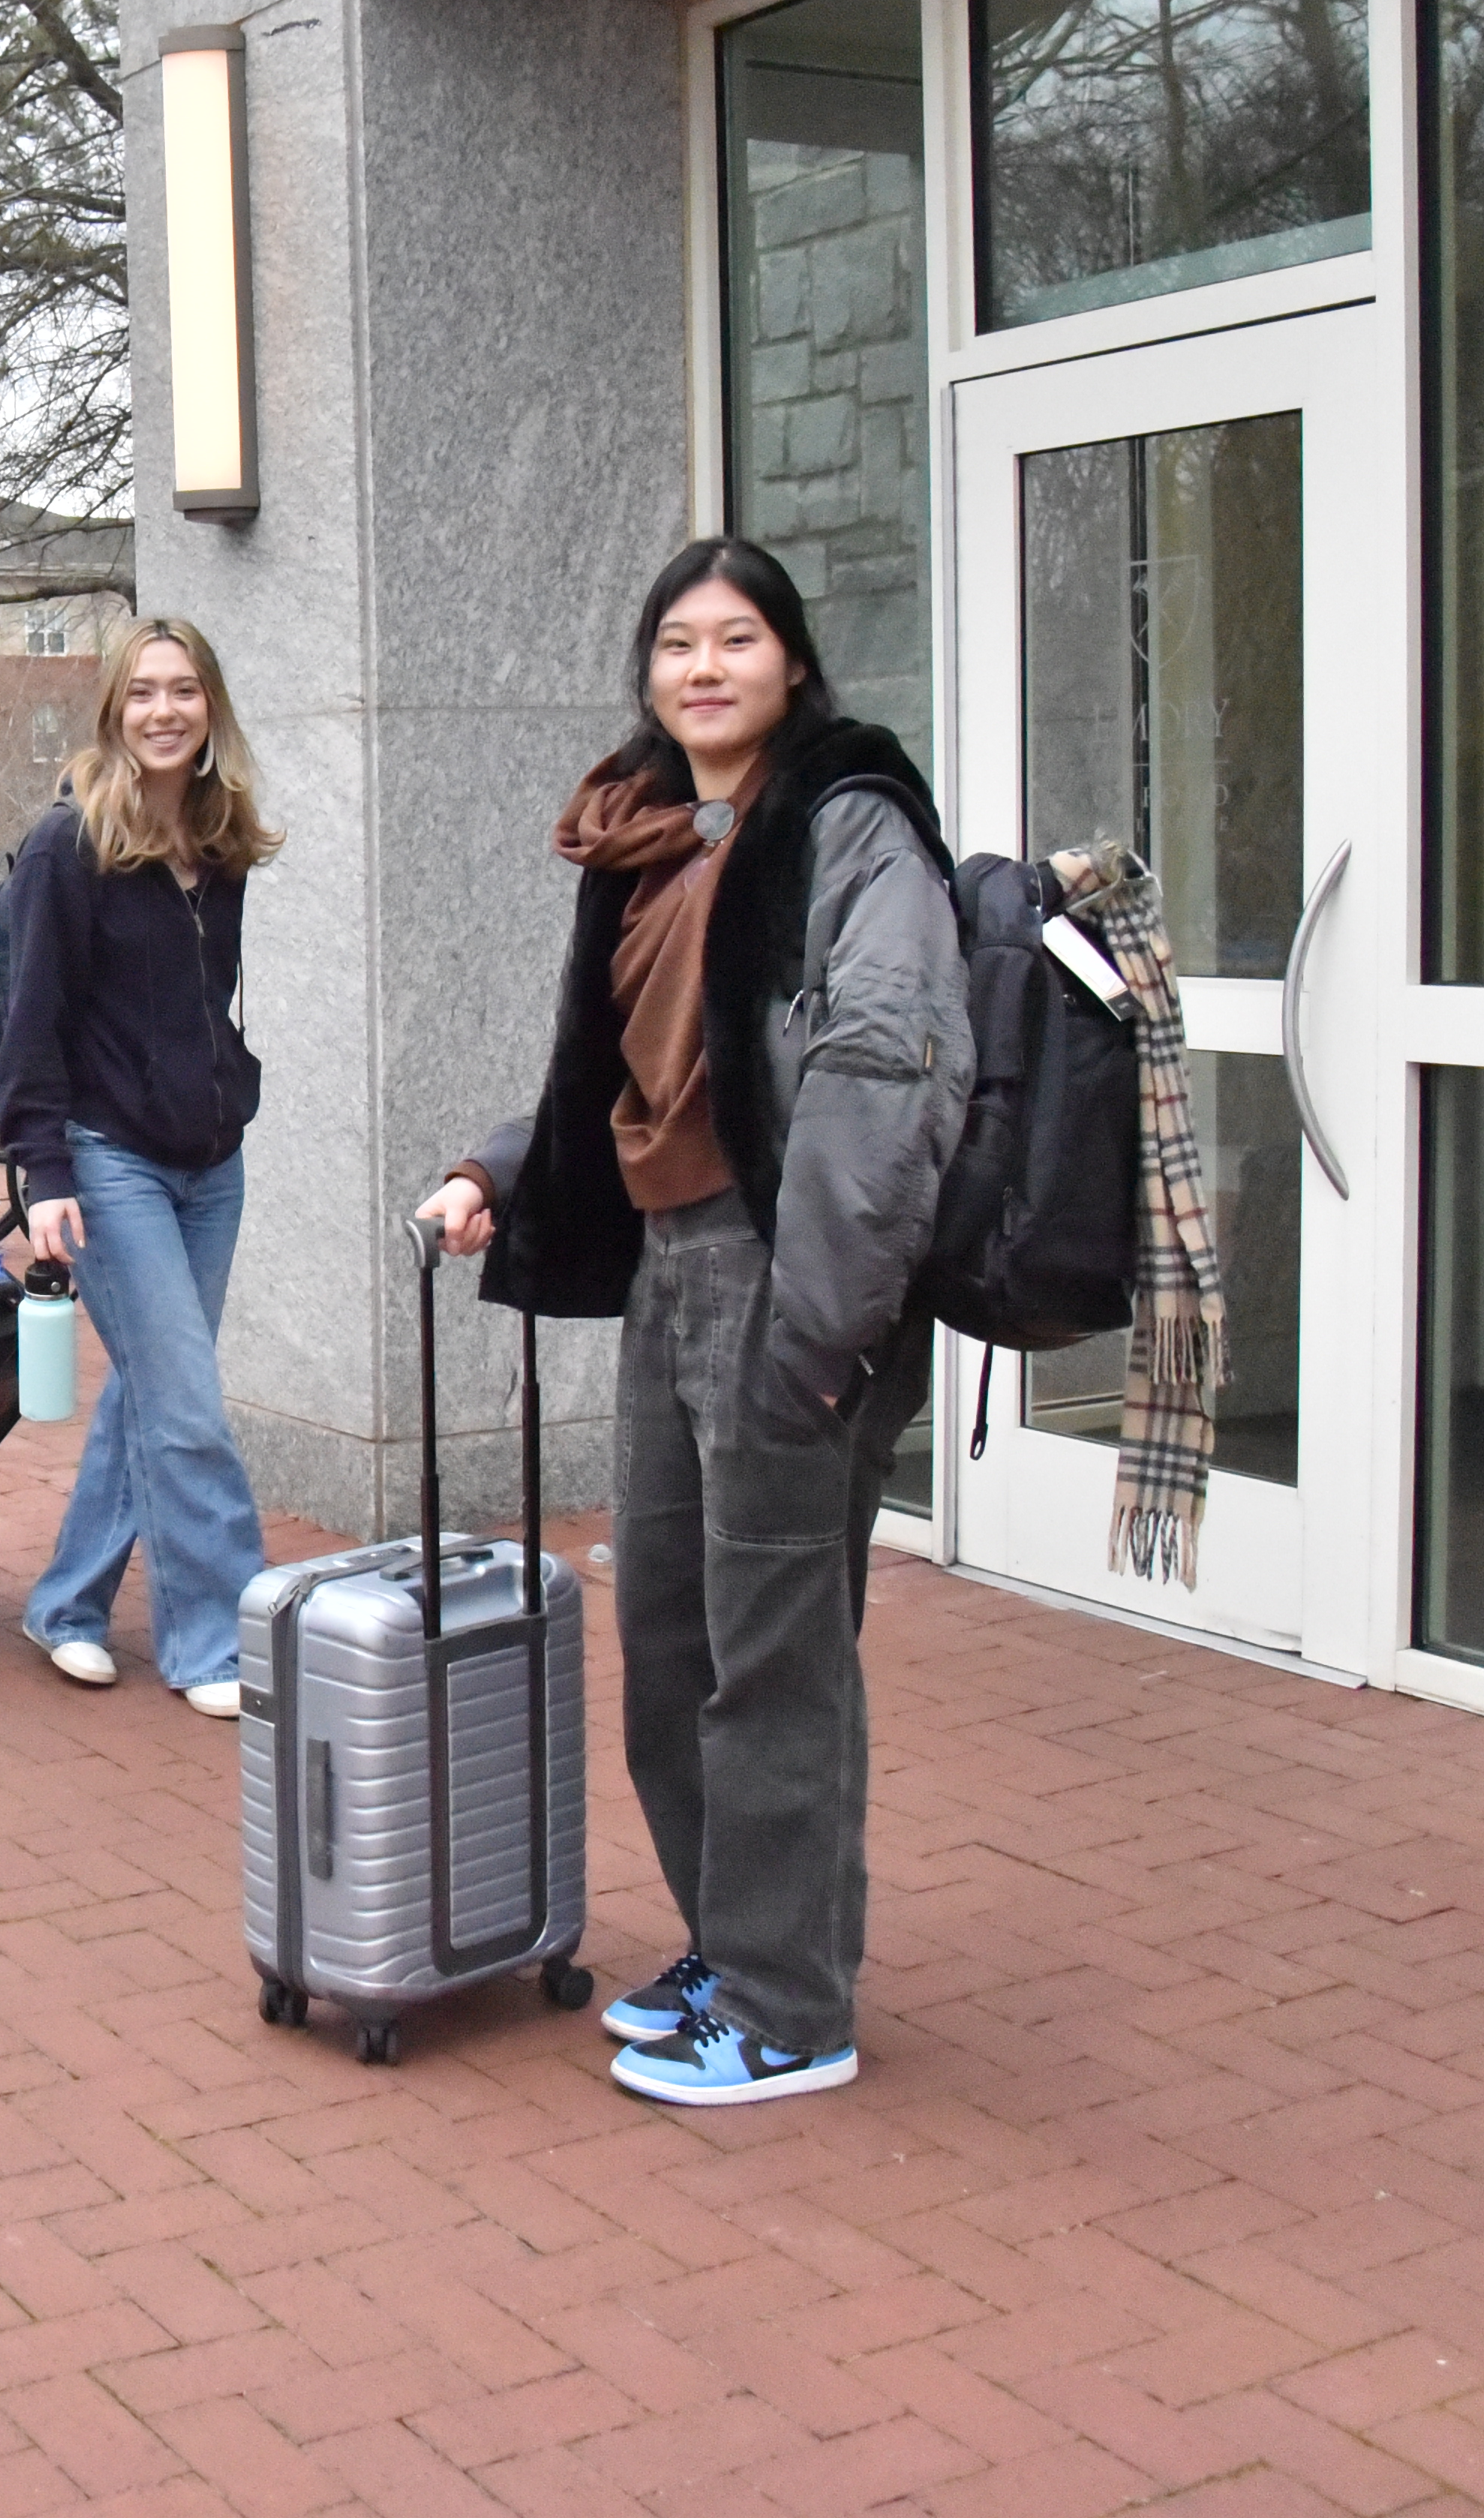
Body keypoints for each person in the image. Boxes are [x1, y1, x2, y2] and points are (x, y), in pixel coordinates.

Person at [419, 539, 961, 2111]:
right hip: (672, 1264)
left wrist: (818, 1325)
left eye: (735, 638)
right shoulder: (654, 839)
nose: (703, 666)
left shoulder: (842, 826)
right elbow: (626, 1077)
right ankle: (735, 1941)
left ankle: (794, 2008)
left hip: (785, 1272)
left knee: (772, 1652)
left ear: (790, 663)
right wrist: (494, 1174)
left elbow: (883, 1078)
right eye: (675, 642)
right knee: (668, 1629)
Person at [0, 618, 281, 1720]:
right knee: (191, 1413)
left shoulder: (220, 842)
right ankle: (217, 1643)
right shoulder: (70, 849)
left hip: (213, 1167)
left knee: (155, 1400)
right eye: (144, 693)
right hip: (111, 1166)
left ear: (211, 708)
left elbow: (205, 1006)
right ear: (115, 709)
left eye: (186, 691)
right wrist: (44, 1172)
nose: (165, 711)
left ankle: (66, 1604)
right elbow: (33, 1027)